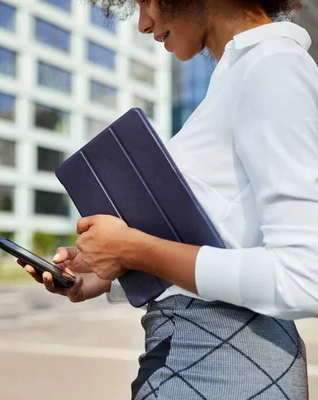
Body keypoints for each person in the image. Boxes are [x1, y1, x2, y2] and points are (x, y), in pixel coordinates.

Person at [20, 0, 318, 398]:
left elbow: (305, 276)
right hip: (199, 355)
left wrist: (135, 250)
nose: (143, 23)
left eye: (147, 1)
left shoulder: (272, 67)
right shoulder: (241, 76)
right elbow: (228, 242)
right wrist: (109, 274)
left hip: (225, 364)